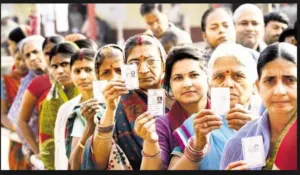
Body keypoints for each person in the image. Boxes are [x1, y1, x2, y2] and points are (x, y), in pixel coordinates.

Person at [81, 33, 168, 170]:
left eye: (151, 61)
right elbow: (98, 161)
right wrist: (110, 110)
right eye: (134, 63)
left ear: (163, 64)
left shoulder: (179, 95)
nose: (144, 70)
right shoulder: (119, 101)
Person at [220, 42, 297, 170]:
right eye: (270, 80)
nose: (279, 91)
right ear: (258, 87)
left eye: (290, 80)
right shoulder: (237, 145)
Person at [135, 46, 211, 170]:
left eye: (194, 75)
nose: (187, 84)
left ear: (208, 79)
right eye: (178, 78)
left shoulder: (223, 116)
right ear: (168, 85)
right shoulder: (162, 125)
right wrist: (151, 143)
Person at [54, 44, 123, 170]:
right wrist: (90, 126)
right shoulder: (68, 109)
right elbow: (64, 152)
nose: (82, 76)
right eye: (77, 71)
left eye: (88, 69)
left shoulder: (126, 103)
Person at [38, 43, 80, 170]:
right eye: (54, 66)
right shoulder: (51, 102)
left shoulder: (92, 94)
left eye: (64, 64)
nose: (59, 71)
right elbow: (47, 141)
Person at [7, 35, 46, 160]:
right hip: (42, 150)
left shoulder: (61, 74)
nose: (32, 58)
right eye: (27, 55)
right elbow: (19, 121)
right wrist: (37, 151)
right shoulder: (28, 83)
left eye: (35, 52)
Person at [1, 49, 30, 170]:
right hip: (17, 138)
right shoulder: (6, 81)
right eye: (18, 59)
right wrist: (19, 129)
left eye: (25, 59)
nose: (21, 63)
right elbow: (2, 114)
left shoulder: (42, 80)